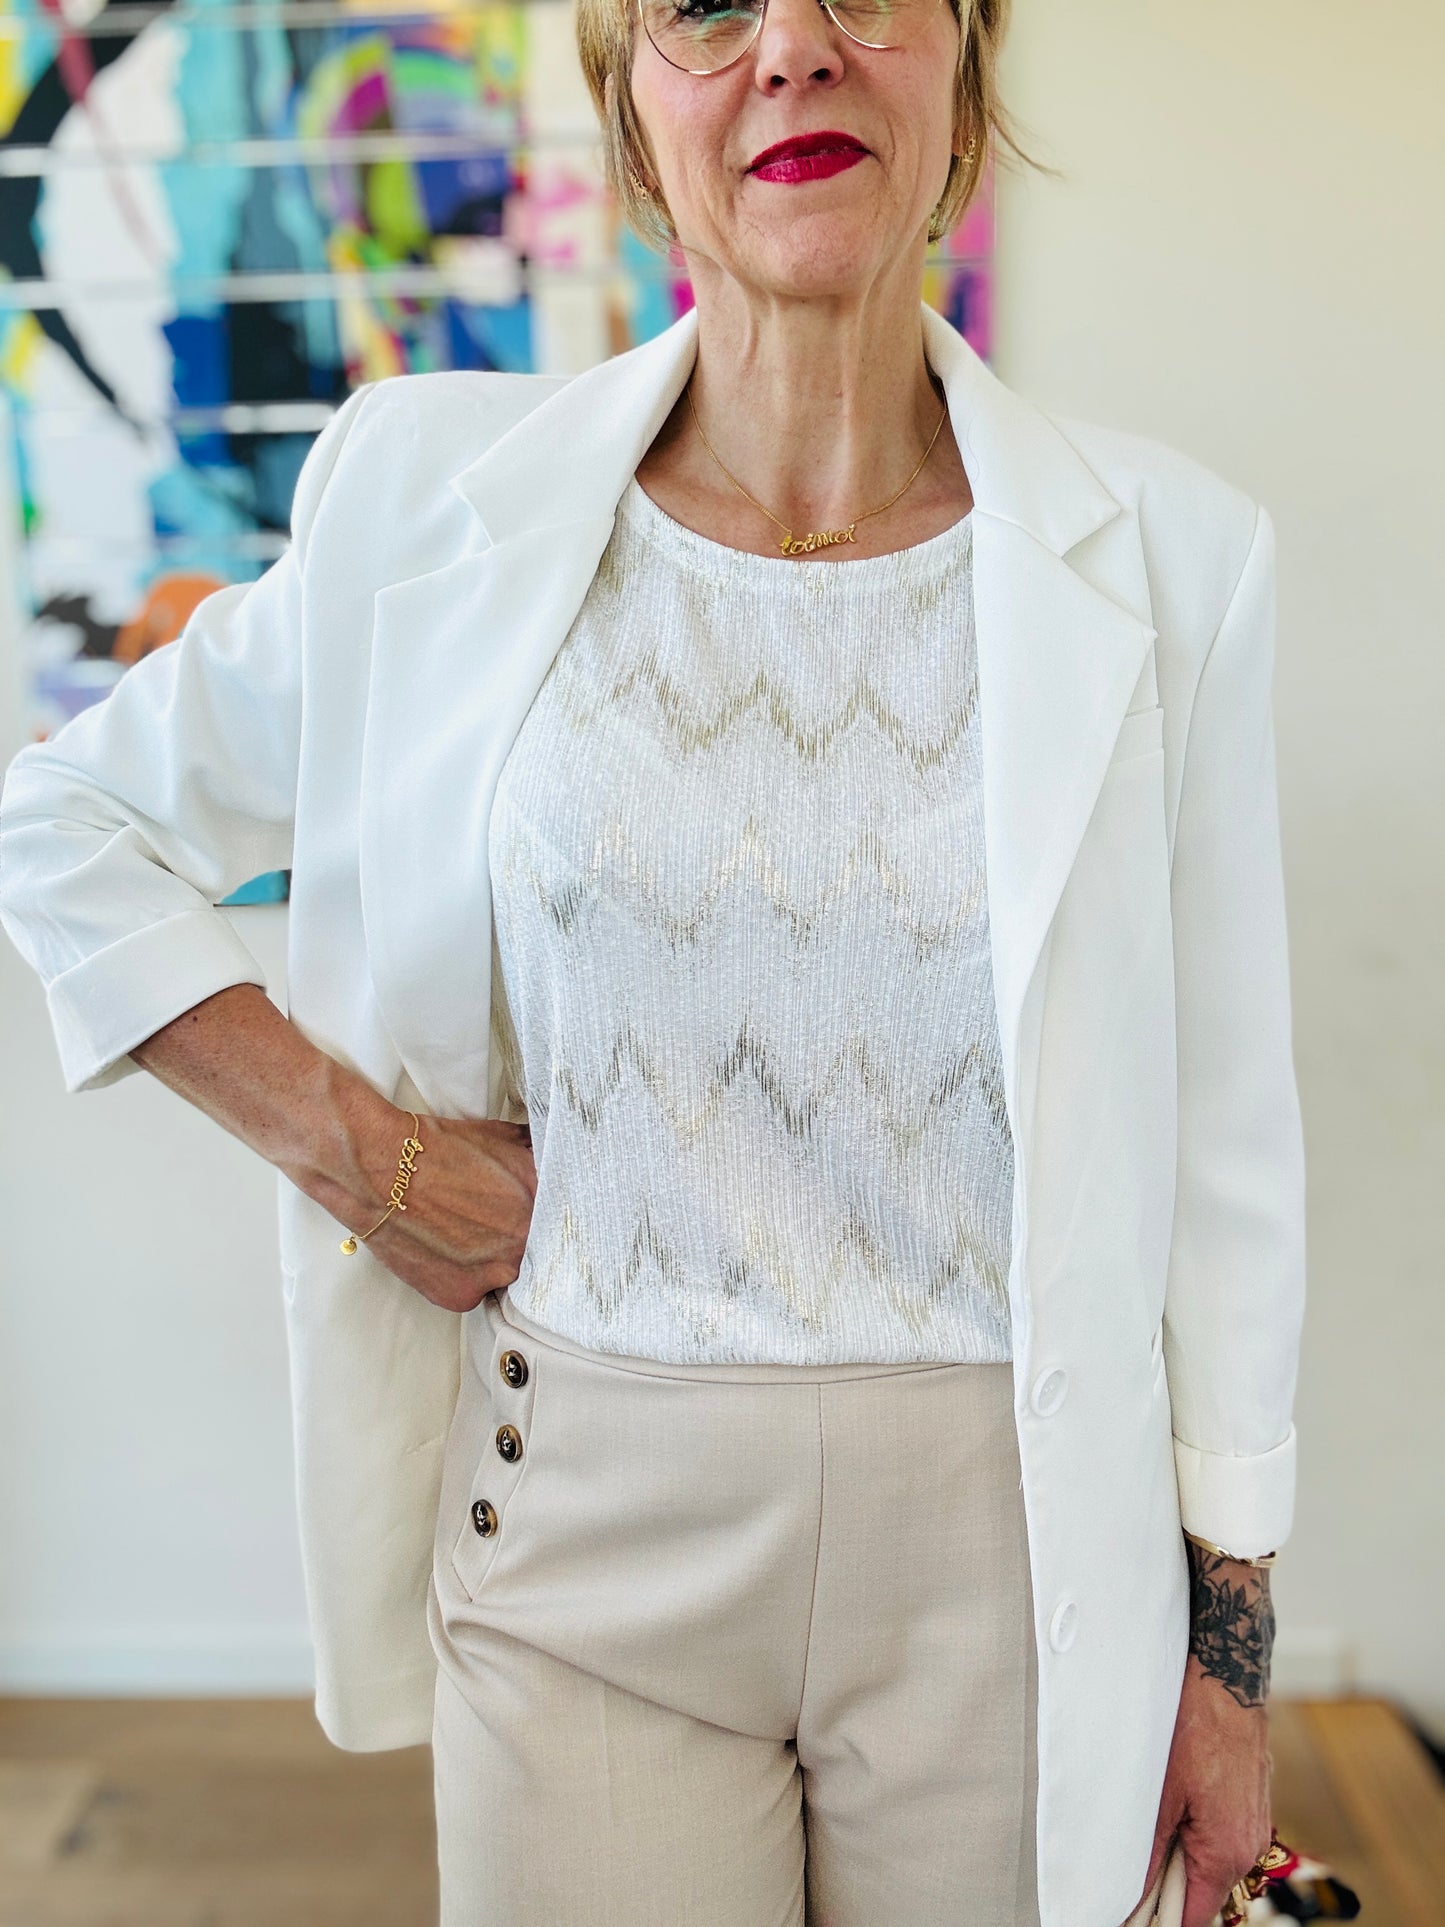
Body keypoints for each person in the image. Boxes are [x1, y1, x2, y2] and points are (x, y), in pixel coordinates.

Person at [0, 0, 1306, 1922]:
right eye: (704, 7)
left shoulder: (1175, 557)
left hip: (1023, 1578)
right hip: (583, 1553)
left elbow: (1226, 1156)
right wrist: (369, 1161)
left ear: (963, 80)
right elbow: (61, 822)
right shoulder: (426, 502)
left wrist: (1229, 1652)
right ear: (630, 128)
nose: (793, 48)